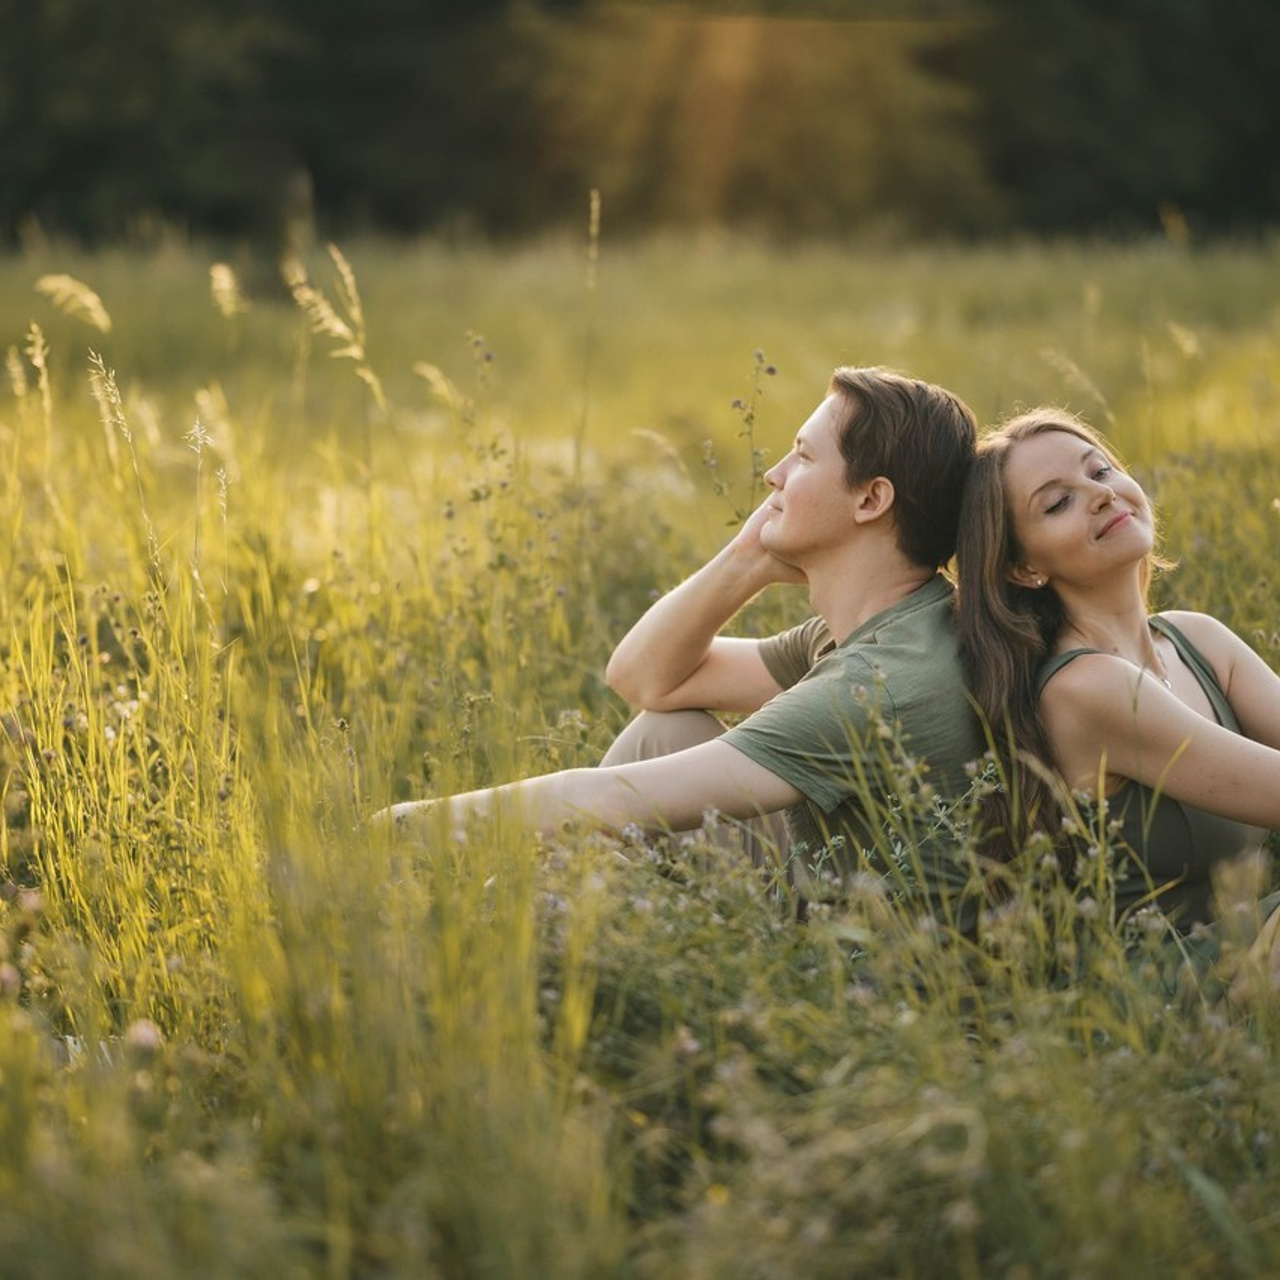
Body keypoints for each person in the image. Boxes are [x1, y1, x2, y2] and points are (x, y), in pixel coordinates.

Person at [379, 367, 984, 922]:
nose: (774, 474)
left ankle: (473, 939)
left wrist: (399, 825)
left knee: (593, 835)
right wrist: (746, 559)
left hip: (871, 976)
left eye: (802, 456)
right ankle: (497, 923)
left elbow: (610, 801)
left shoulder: (874, 684)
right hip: (839, 890)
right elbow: (648, 679)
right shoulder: (889, 625)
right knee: (665, 731)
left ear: (870, 500)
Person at [955, 407, 1280, 996]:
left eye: (1100, 472)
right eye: (1057, 503)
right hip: (1167, 993)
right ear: (1025, 567)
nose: (1100, 496)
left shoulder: (1195, 639)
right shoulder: (1086, 690)